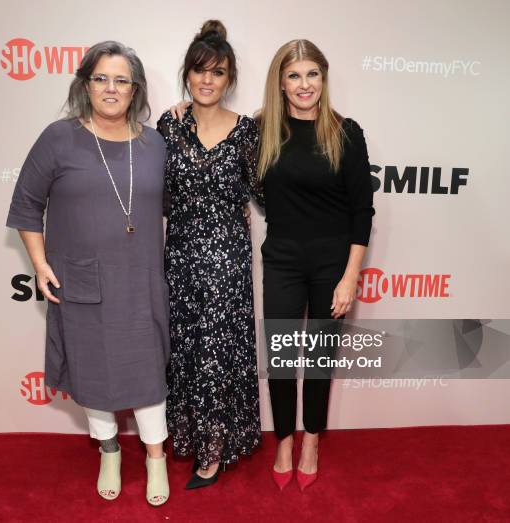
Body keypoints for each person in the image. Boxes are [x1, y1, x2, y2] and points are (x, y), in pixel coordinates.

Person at [6, 41, 170, 506]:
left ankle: (155, 458)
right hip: (82, 284)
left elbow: (174, 206)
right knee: (95, 376)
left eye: (121, 79)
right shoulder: (58, 138)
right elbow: (26, 208)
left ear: (135, 88)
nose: (111, 88)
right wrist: (40, 266)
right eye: (101, 78)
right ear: (86, 84)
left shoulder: (154, 142)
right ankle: (111, 451)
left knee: (148, 376)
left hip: (141, 282)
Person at [258, 39, 374, 491]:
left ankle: (311, 440)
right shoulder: (263, 130)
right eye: (294, 76)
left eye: (312, 75)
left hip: (332, 263)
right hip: (282, 258)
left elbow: (362, 211)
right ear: (281, 83)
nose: (304, 85)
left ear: (323, 80)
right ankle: (283, 439)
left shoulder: (347, 132)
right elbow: (216, 135)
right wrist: (185, 106)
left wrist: (350, 276)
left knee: (320, 358)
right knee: (283, 357)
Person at [156, 20, 262, 490]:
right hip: (178, 257)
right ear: (187, 74)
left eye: (217, 73)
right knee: (187, 349)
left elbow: (262, 191)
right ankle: (190, 435)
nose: (206, 80)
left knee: (219, 350)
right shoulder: (169, 125)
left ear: (229, 80)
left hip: (227, 259)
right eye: (199, 71)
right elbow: (155, 195)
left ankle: (214, 450)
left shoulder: (247, 132)